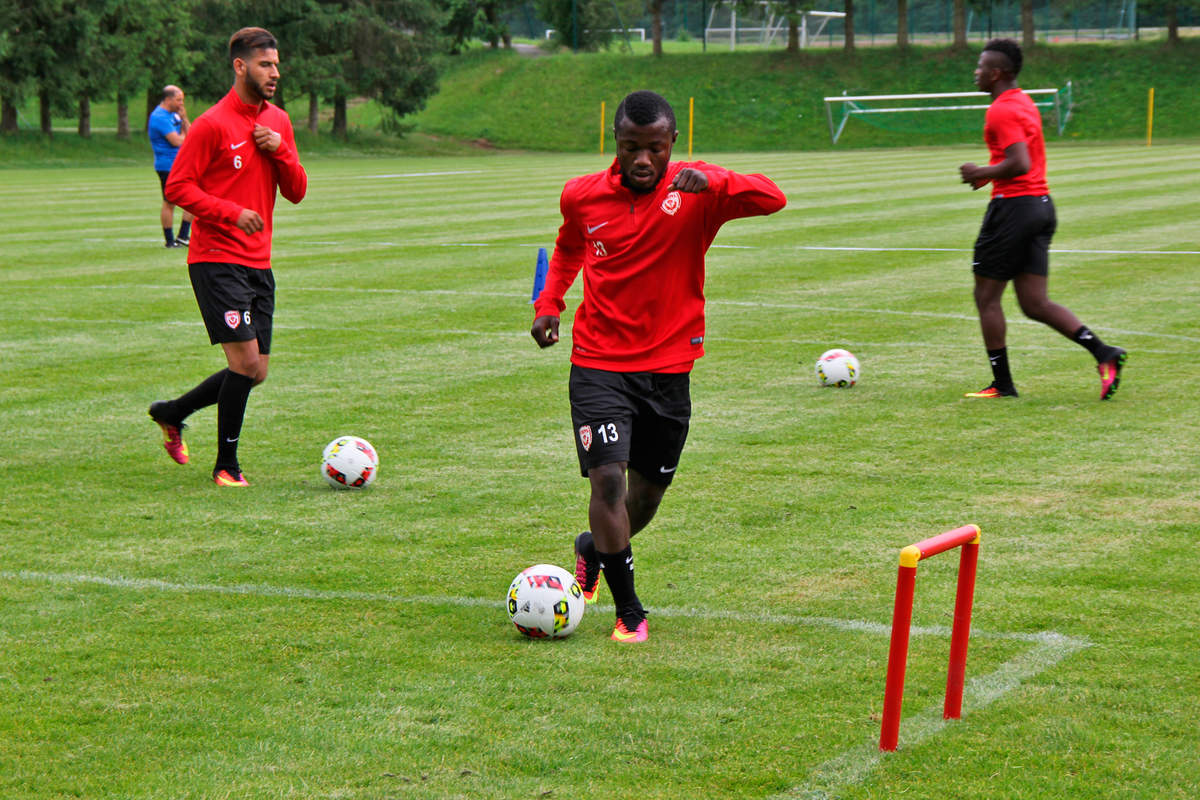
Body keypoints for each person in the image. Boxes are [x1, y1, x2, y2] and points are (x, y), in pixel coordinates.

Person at [531, 90, 786, 643]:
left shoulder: (697, 190)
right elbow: (569, 248)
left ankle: (590, 549)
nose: (642, 160)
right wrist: (548, 305)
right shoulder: (581, 196)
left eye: (654, 149)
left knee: (646, 498)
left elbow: (774, 198)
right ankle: (630, 612)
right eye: (630, 148)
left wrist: (713, 180)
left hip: (670, 368)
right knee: (607, 481)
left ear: (673, 143)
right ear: (615, 146)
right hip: (598, 361)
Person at [150, 27, 307, 486]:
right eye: (265, 64)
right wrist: (232, 212)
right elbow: (178, 187)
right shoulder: (212, 124)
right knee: (244, 365)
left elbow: (296, 191)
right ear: (240, 67)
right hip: (216, 259)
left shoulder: (278, 121)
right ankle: (226, 466)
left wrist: (281, 155)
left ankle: (172, 412)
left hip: (259, 262)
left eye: (276, 64)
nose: (274, 72)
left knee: (256, 372)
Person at [959, 38, 1126, 400]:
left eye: (981, 66)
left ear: (997, 73)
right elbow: (1024, 161)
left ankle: (1002, 384)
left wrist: (979, 171)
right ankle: (1105, 353)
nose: (976, 72)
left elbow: (1020, 162)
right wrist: (989, 175)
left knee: (986, 297)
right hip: (1040, 206)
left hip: (1014, 209)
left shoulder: (1001, 110)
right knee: (1035, 303)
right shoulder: (1023, 102)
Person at [147, 85, 195, 248]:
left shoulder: (175, 114)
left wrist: (185, 118)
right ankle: (170, 240)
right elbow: (177, 141)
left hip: (181, 163)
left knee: (195, 198)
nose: (182, 103)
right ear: (168, 100)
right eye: (179, 100)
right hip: (167, 166)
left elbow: (192, 134)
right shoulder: (159, 117)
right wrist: (185, 136)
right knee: (170, 202)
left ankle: (183, 236)